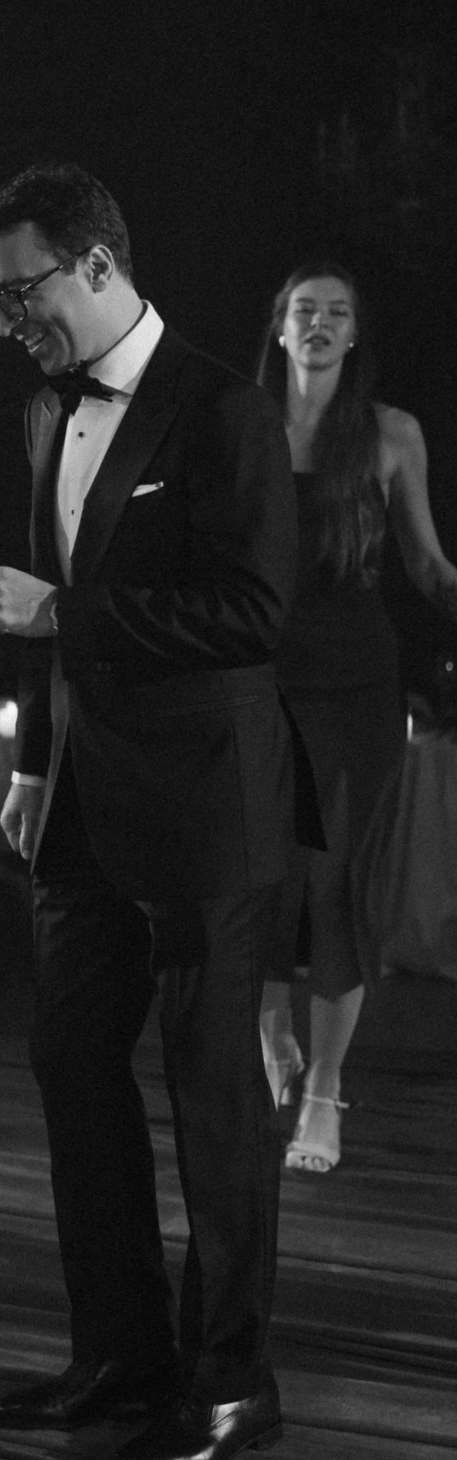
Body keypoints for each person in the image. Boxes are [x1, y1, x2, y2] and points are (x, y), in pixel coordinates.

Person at [0, 162, 310, 1460]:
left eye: (21, 294)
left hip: (208, 807)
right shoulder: (40, 409)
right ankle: (118, 1352)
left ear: (97, 266)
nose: (9, 323)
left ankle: (230, 1381)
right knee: (69, 1061)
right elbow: (43, 616)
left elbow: (250, 614)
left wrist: (63, 613)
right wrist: (31, 763)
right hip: (83, 803)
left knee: (214, 1095)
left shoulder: (224, 408)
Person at [256, 263, 457, 1171]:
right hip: (259, 681)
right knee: (261, 880)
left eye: (336, 312)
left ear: (353, 333)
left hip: (356, 686)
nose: (319, 323)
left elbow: (427, 565)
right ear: (278, 327)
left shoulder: (390, 433)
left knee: (337, 884)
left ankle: (324, 1093)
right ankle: (270, 1033)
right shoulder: (243, 426)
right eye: (304, 310)